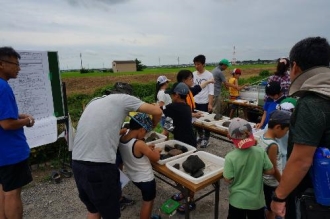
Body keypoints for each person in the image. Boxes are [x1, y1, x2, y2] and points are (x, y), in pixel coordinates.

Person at [72, 87, 162, 219]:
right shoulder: (124, 99)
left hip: (77, 163)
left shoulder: (95, 101)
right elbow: (157, 110)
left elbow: (100, 127)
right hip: (99, 167)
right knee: (111, 215)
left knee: (94, 209)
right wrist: (152, 125)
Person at [271, 36, 330, 218]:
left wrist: (279, 197)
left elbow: (301, 161)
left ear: (295, 66)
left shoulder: (312, 102)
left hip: (314, 197)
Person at [0, 47, 35, 219]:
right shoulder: (3, 87)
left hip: (2, 153)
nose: (18, 68)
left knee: (3, 189)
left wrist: (20, 116)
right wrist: (27, 121)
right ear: (1, 64)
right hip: (11, 152)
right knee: (13, 193)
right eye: (15, 64)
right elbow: (6, 124)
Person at [224, 118, 274, 219]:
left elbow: (228, 179)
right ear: (251, 134)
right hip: (256, 202)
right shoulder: (260, 152)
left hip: (237, 201)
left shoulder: (230, 157)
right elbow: (270, 171)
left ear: (229, 136)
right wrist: (257, 169)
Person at [118, 113, 162, 219]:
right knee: (148, 202)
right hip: (146, 179)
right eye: (146, 132)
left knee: (146, 199)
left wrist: (146, 148)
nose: (145, 135)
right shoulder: (139, 144)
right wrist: (156, 150)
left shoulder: (122, 137)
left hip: (134, 177)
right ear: (142, 129)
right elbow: (156, 158)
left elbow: (135, 151)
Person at [163, 82, 197, 213]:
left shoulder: (174, 107)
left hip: (186, 144)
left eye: (172, 94)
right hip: (183, 142)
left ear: (177, 95)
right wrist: (163, 137)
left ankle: (191, 201)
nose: (171, 96)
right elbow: (169, 125)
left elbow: (157, 109)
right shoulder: (185, 107)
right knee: (178, 171)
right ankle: (184, 193)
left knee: (187, 172)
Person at [258, 110, 290, 219]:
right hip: (272, 183)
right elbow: (273, 168)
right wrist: (282, 183)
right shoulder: (273, 145)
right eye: (286, 131)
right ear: (277, 127)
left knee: (269, 205)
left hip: (264, 180)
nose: (286, 134)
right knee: (273, 209)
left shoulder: (263, 137)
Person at [192, 55, 214, 148]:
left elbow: (211, 90)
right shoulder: (193, 74)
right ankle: (200, 136)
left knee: (206, 121)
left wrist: (210, 103)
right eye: (195, 64)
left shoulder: (209, 75)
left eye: (198, 64)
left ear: (203, 64)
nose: (196, 66)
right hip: (195, 101)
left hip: (204, 102)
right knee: (196, 121)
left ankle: (206, 139)